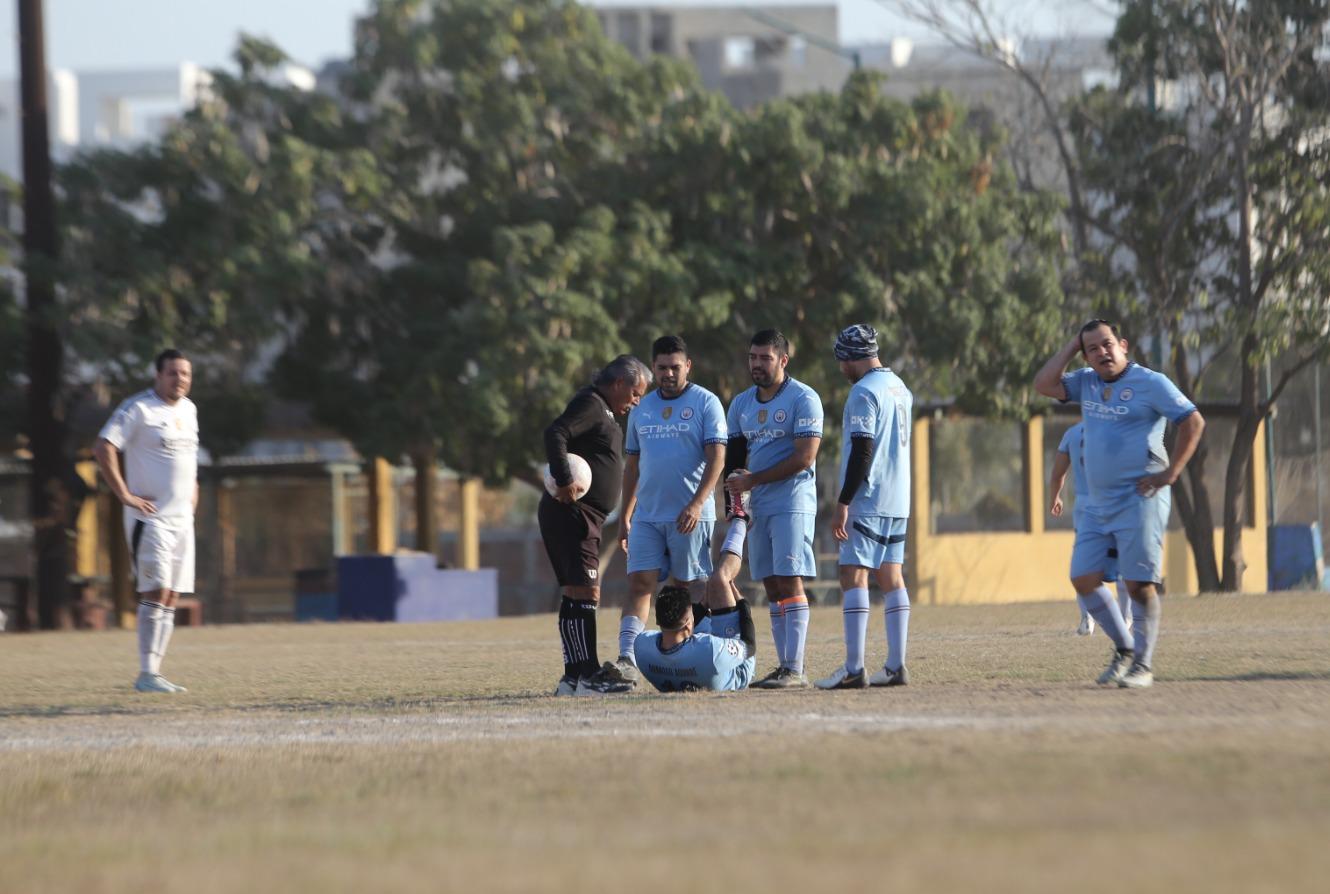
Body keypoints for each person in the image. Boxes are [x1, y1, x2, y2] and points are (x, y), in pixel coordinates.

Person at [1034, 319, 1205, 689]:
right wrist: (1070, 347)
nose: (1101, 353)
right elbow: (1044, 384)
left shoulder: (1151, 383)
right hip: (1096, 504)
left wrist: (1170, 474)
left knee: (1140, 584)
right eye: (1092, 348)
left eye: (1107, 344)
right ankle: (1125, 648)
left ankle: (1143, 665)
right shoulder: (1087, 382)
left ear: (1123, 345)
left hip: (1140, 499)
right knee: (1083, 578)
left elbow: (1193, 422)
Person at [606, 335, 727, 686]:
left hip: (689, 516)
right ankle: (627, 660)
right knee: (639, 584)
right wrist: (626, 514)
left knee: (686, 588)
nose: (669, 374)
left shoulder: (706, 403)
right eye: (662, 368)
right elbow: (632, 466)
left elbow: (717, 458)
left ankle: (693, 658)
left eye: (676, 367)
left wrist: (696, 503)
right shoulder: (642, 408)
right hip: (647, 516)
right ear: (653, 367)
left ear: (688, 366)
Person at [540, 354, 649, 696]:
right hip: (573, 512)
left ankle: (572, 679)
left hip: (582, 515)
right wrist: (563, 479)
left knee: (576, 593)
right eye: (636, 392)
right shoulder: (591, 403)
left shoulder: (602, 409)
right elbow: (555, 432)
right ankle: (587, 675)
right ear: (619, 383)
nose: (637, 400)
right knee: (586, 591)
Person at [92, 349, 200, 694]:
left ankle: (156, 673)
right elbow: (104, 446)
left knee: (171, 595)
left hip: (183, 520)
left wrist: (193, 492)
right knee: (154, 591)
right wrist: (124, 494)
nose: (179, 379)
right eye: (172, 373)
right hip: (150, 519)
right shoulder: (138, 408)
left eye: (184, 373)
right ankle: (146, 672)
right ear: (158, 376)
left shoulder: (189, 410)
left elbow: (189, 459)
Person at [815, 325, 914, 690]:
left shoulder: (863, 392)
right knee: (891, 578)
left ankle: (854, 667)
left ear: (851, 357)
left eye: (841, 359)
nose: (841, 368)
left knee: (852, 575)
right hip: (898, 498)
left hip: (869, 498)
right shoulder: (900, 388)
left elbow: (862, 449)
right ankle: (895, 666)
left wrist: (843, 501)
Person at [725, 329, 824, 688]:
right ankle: (784, 666)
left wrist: (754, 481)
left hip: (792, 502)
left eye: (765, 358)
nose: (757, 364)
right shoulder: (740, 404)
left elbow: (805, 457)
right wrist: (733, 504)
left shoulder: (804, 398)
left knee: (789, 579)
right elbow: (735, 461)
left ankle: (795, 669)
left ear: (783, 360)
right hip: (759, 505)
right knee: (770, 584)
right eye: (753, 357)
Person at [633, 503, 758, 693]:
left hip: (699, 661)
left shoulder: (642, 647)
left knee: (704, 588)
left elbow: (678, 636)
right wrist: (744, 605)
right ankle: (741, 518)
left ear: (658, 620)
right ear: (688, 624)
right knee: (720, 579)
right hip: (735, 670)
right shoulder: (710, 648)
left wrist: (699, 607)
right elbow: (749, 647)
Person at [1049, 421, 1132, 637]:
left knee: (1084, 566)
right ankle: (1125, 619)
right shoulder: (1118, 429)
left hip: (1085, 508)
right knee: (1124, 562)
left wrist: (1055, 497)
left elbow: (1058, 473)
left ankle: (1088, 620)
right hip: (1115, 503)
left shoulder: (1073, 433)